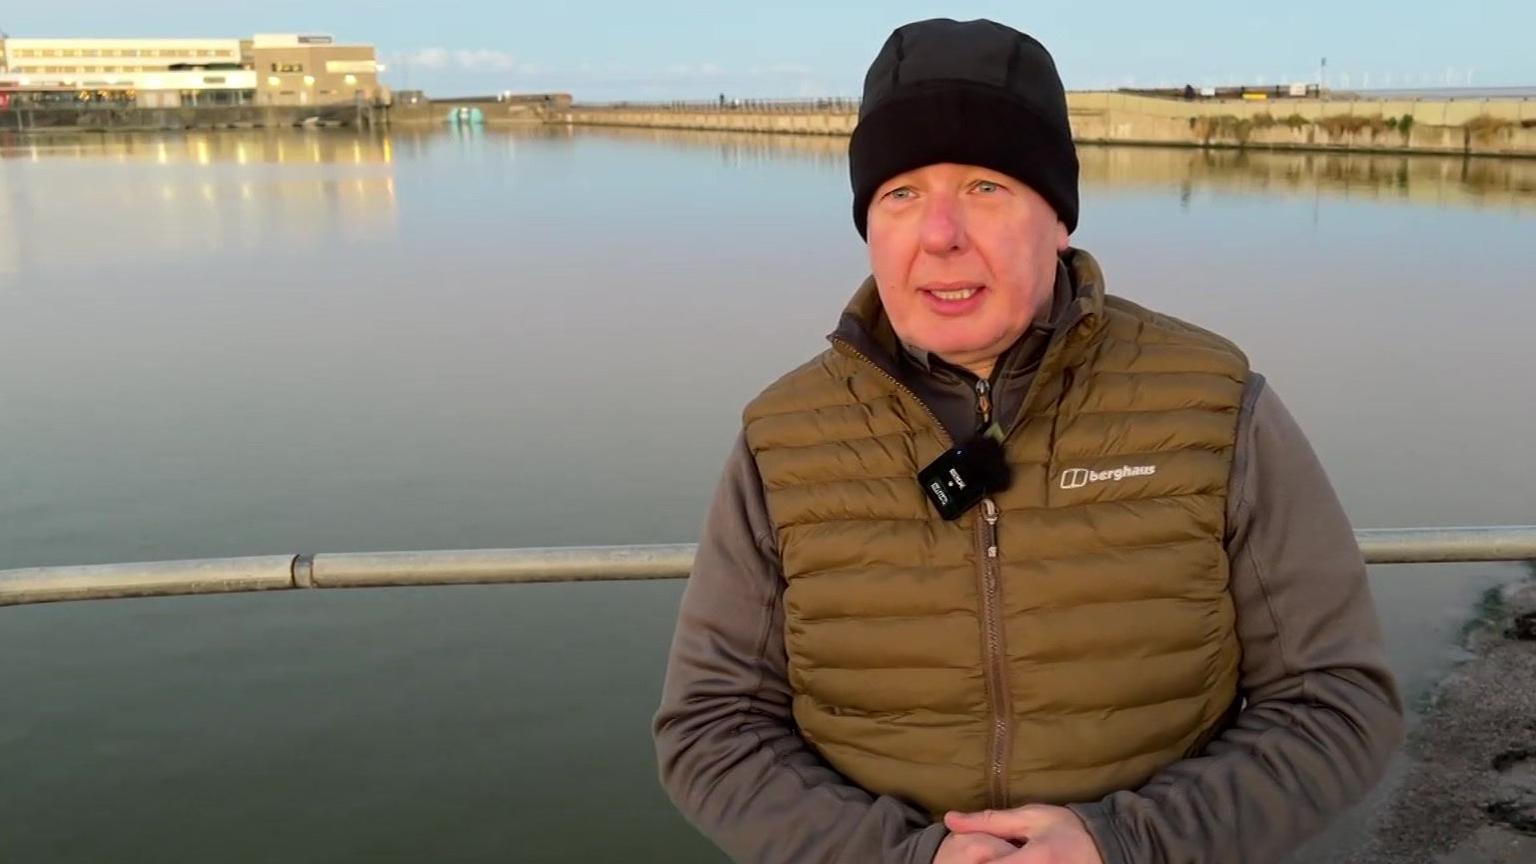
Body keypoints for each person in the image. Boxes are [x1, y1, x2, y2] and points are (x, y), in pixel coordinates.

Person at [653, 17, 1403, 864]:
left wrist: (1125, 845)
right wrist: (907, 857)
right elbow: (712, 729)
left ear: (1059, 219)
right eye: (901, 194)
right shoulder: (784, 438)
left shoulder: (1213, 401)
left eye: (986, 186)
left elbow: (1335, 701)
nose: (940, 234)